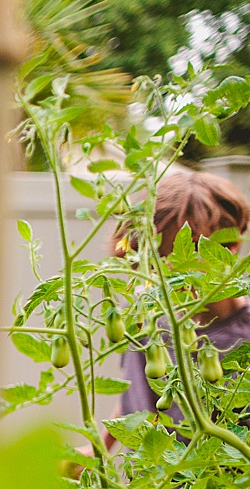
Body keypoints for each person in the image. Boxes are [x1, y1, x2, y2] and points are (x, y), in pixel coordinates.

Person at [103, 171, 249, 448]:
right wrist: (100, 447)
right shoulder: (141, 312)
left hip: (226, 485)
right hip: (154, 482)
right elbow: (135, 390)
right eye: (158, 259)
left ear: (230, 249)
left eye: (185, 257)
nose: (169, 272)